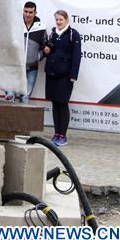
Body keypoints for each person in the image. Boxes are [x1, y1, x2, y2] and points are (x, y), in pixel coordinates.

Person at [44, 9, 81, 146]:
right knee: (55, 104)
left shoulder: (73, 34)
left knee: (63, 103)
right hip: (52, 73)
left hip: (65, 76)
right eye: (57, 20)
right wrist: (46, 50)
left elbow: (77, 56)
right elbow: (49, 50)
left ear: (66, 20)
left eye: (61, 20)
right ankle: (56, 133)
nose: (58, 22)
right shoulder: (53, 33)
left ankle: (63, 135)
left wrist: (73, 75)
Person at [6, 1, 47, 103]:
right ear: (23, 11)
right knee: (10, 96)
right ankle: (9, 119)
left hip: (32, 69)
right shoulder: (15, 24)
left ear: (35, 13)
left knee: (25, 97)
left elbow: (45, 46)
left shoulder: (41, 27)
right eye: (26, 11)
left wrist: (38, 57)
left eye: (30, 12)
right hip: (15, 67)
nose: (28, 14)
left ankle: (22, 119)